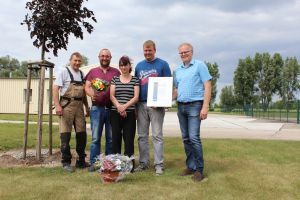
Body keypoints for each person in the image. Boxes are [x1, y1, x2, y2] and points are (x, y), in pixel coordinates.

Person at [173, 43, 212, 182]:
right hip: (181, 106)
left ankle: (199, 170)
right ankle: (190, 166)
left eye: (186, 52)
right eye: (181, 53)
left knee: (194, 137)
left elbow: (207, 85)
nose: (183, 54)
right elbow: (177, 90)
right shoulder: (177, 70)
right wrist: (162, 101)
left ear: (192, 52)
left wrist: (205, 106)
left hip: (195, 105)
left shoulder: (199, 65)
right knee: (186, 138)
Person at [134, 40, 171, 175]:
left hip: (157, 106)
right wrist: (135, 106)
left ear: (155, 50)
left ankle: (159, 165)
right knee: (142, 136)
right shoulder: (139, 66)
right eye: (145, 50)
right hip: (141, 104)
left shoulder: (163, 64)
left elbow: (167, 85)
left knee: (157, 135)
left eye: (150, 50)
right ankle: (143, 163)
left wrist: (162, 102)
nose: (147, 52)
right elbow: (136, 86)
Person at [53, 52, 90, 172]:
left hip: (79, 107)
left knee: (82, 135)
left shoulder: (81, 74)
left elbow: (84, 93)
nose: (77, 63)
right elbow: (55, 88)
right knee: (65, 135)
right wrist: (57, 105)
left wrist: (87, 107)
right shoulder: (64, 72)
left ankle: (81, 161)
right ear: (70, 60)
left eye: (79, 61)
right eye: (75, 60)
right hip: (67, 106)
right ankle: (66, 162)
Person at [84, 49, 120, 171]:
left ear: (110, 57)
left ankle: (108, 164)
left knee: (110, 139)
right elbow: (87, 86)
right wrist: (91, 94)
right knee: (95, 138)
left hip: (111, 109)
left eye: (107, 56)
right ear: (99, 57)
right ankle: (94, 163)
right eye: (102, 56)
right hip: (96, 109)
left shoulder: (116, 72)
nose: (105, 58)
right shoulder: (93, 72)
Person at [110, 56, 139, 166]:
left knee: (128, 139)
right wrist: (119, 107)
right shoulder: (115, 79)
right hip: (115, 113)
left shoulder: (135, 79)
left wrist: (124, 107)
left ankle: (129, 165)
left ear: (129, 66)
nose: (123, 67)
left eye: (125, 64)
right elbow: (112, 96)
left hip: (130, 113)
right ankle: (116, 165)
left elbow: (136, 97)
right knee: (116, 139)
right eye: (121, 65)